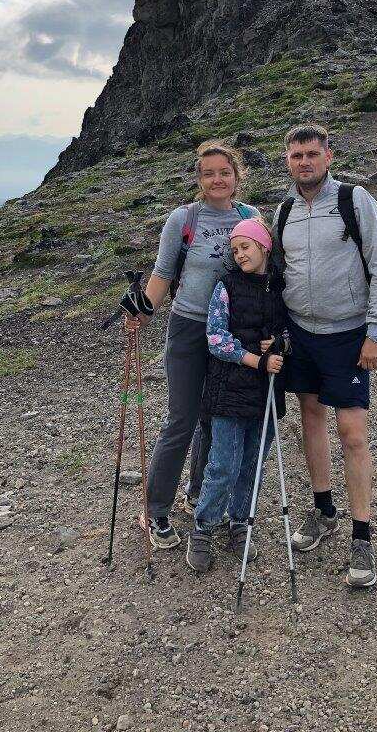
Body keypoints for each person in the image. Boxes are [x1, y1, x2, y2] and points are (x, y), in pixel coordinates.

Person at [272, 123, 377, 588]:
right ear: (287, 161)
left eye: (311, 153)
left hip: (348, 334)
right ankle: (324, 511)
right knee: (309, 415)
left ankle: (362, 535)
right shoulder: (283, 212)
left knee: (353, 431)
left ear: (328, 156)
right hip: (301, 333)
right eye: (296, 155)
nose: (304, 161)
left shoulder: (354, 200)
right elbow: (279, 273)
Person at [123, 140, 259, 548]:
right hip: (187, 328)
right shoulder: (184, 218)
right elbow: (163, 274)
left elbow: (260, 272)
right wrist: (142, 316)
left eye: (225, 172)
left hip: (232, 334)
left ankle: (199, 494)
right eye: (209, 173)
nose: (217, 179)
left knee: (214, 419)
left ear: (237, 176)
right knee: (181, 419)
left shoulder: (251, 217)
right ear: (199, 179)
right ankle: (155, 509)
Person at [186, 218, 287, 573]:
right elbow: (216, 339)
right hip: (228, 391)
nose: (239, 254)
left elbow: (289, 331)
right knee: (223, 465)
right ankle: (203, 528)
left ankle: (240, 523)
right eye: (234, 250)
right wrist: (256, 360)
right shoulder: (226, 286)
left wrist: (280, 344)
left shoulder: (279, 289)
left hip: (267, 393)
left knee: (251, 465)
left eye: (245, 246)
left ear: (264, 247)